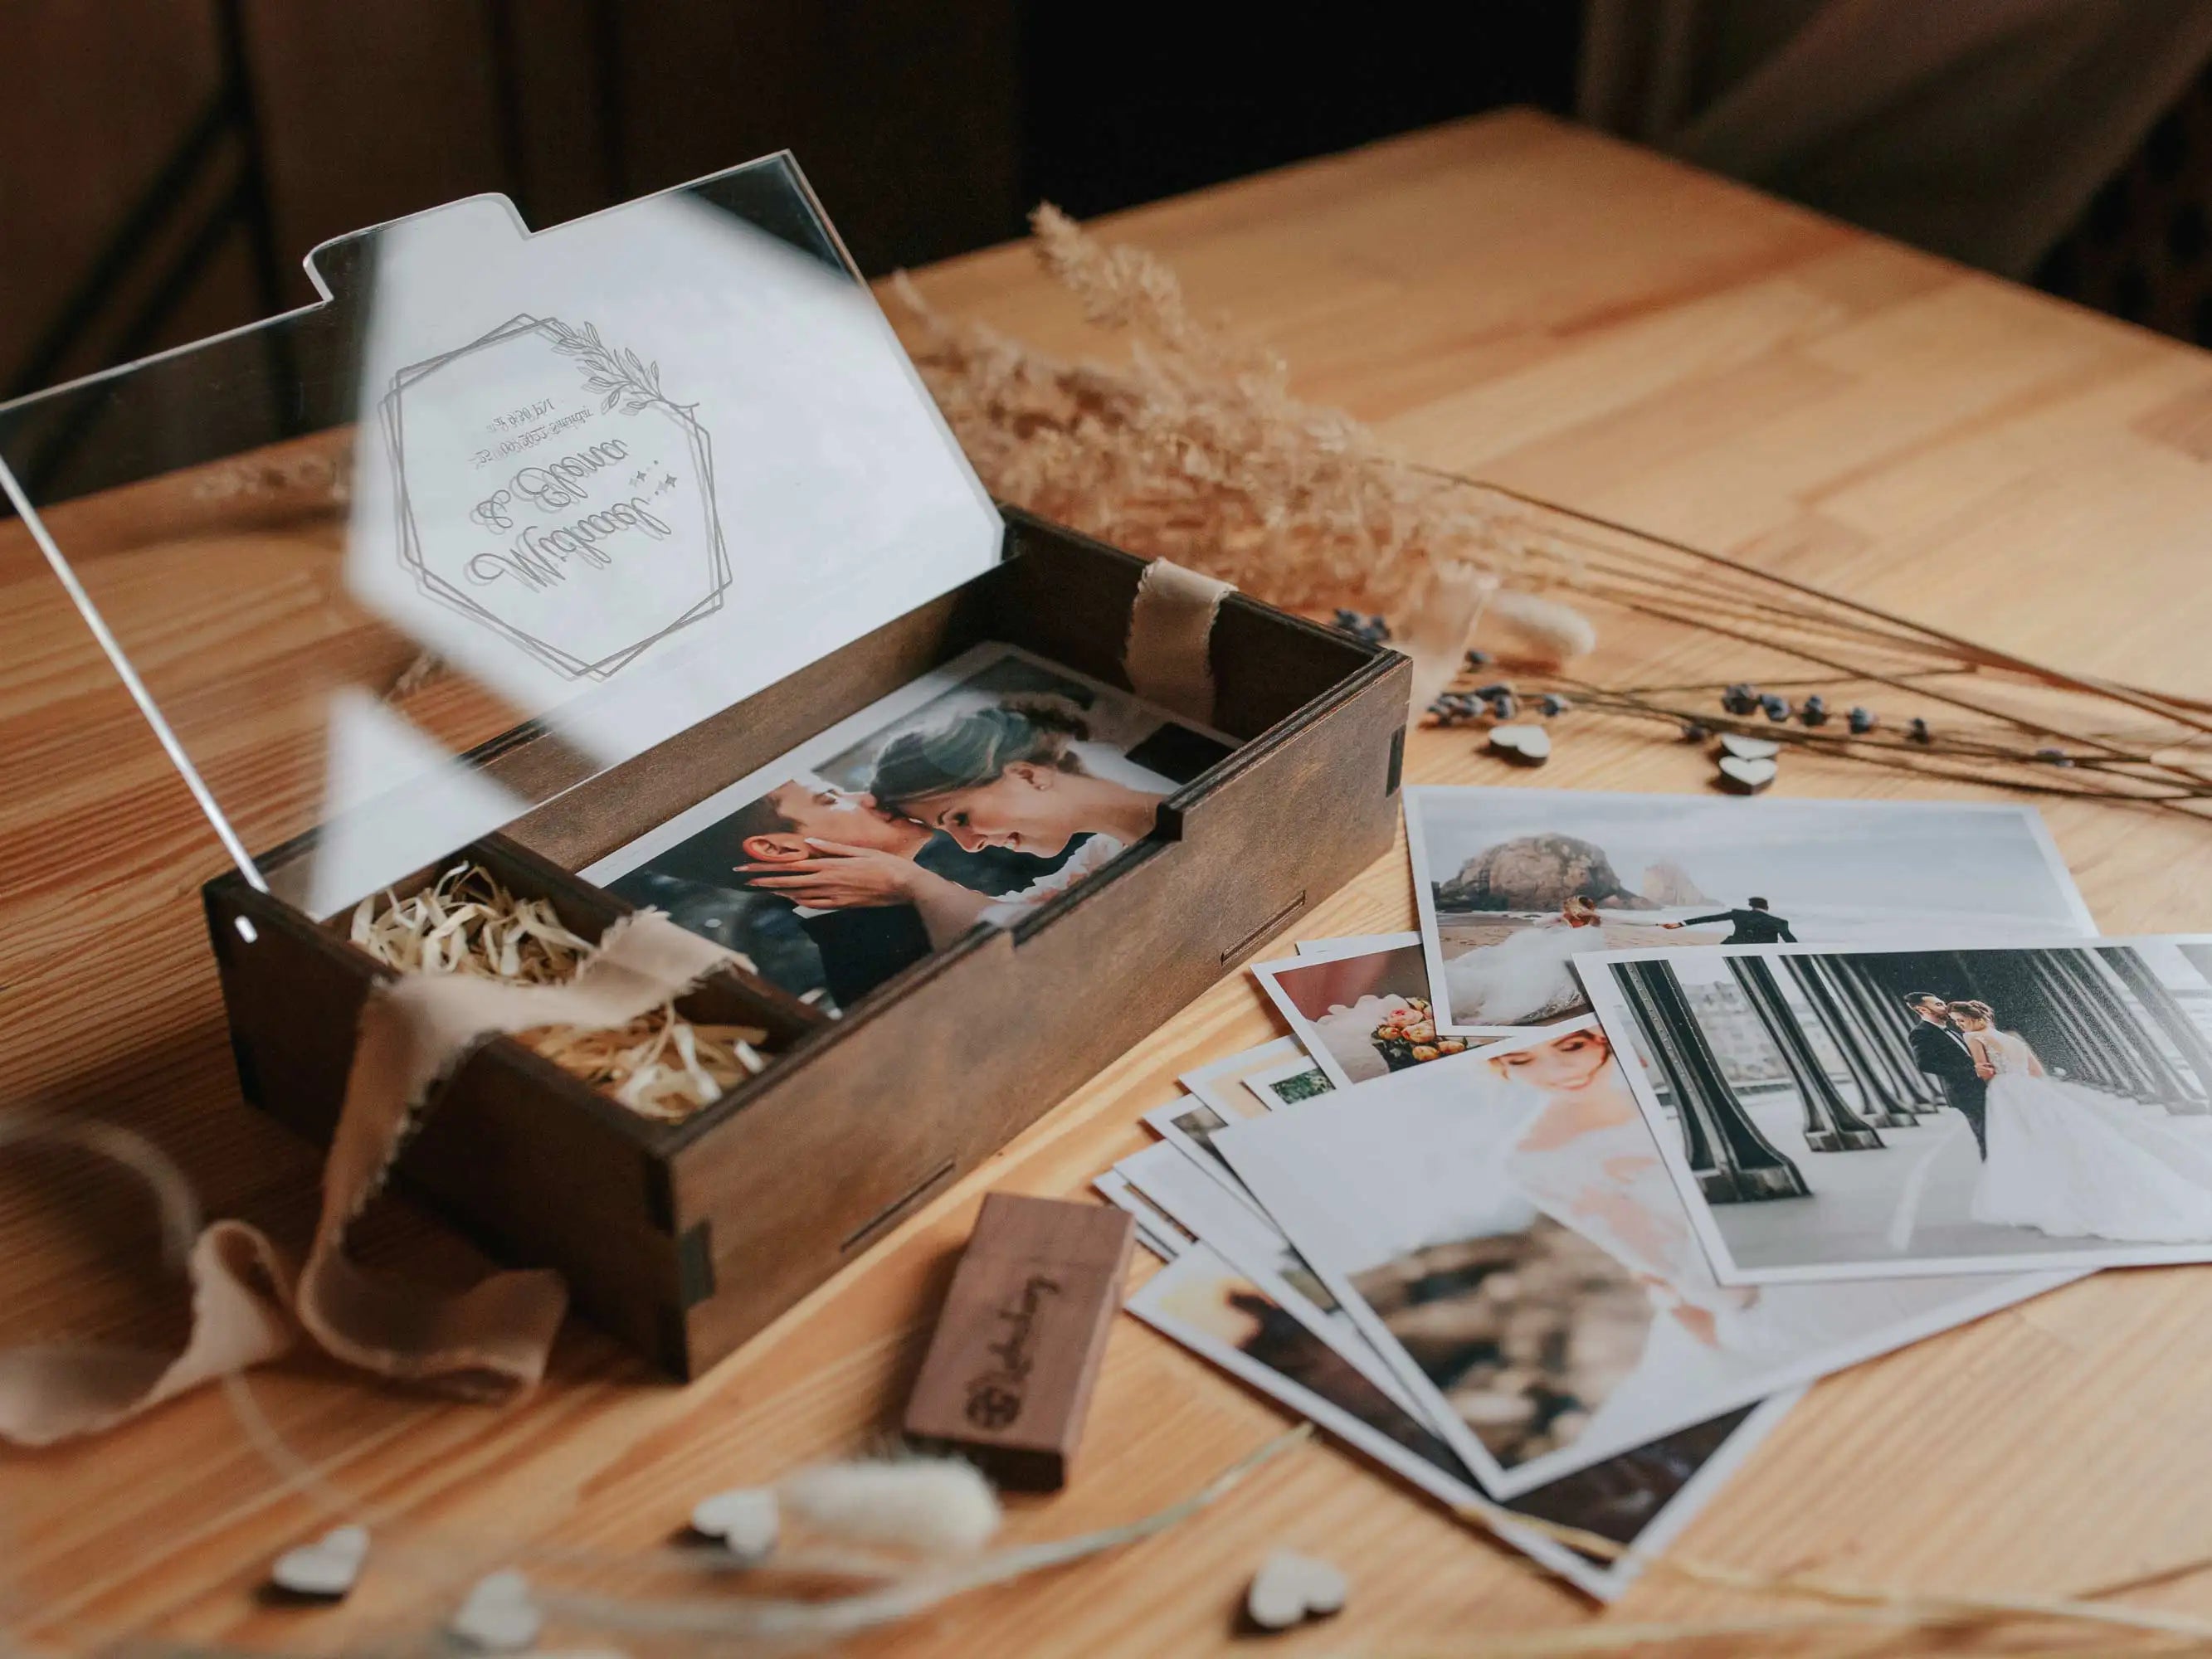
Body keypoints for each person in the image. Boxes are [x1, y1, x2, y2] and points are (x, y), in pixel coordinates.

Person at [745, 701, 1168, 934]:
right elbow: (1017, 924)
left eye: (960, 817)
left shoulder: (1170, 807)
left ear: (1027, 775)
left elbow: (1031, 944)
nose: (971, 845)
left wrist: (914, 883)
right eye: (947, 829)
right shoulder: (1103, 856)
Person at [654, 779, 1049, 1009]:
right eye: (831, 799)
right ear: (780, 849)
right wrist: (914, 883)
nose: (868, 797)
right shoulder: (876, 968)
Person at [1957, 999, 2212, 1241]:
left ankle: (2033, 1201)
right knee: (2053, 1142)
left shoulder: (1973, 1037)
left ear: (1973, 1019)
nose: (1960, 1025)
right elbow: (2036, 1072)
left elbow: (1983, 1070)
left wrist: (1987, 1077)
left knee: (2017, 1143)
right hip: (2031, 1090)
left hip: (2005, 1091)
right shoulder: (2014, 1039)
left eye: (1961, 1021)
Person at [1903, 991, 1991, 1158]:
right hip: (1965, 1091)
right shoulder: (1921, 1033)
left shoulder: (1952, 1031)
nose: (1945, 1007)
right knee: (1985, 1134)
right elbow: (1925, 1064)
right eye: (1938, 1005)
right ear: (1923, 1010)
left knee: (1992, 1131)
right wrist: (1972, 1070)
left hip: (1980, 1087)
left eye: (1943, 1003)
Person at [1659, 896, 1796, 944]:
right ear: (1767, 907)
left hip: (1735, 946)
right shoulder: (1780, 922)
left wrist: (1680, 924)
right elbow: (1790, 941)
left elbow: (1710, 919)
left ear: (1751, 906)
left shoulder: (1738, 914)